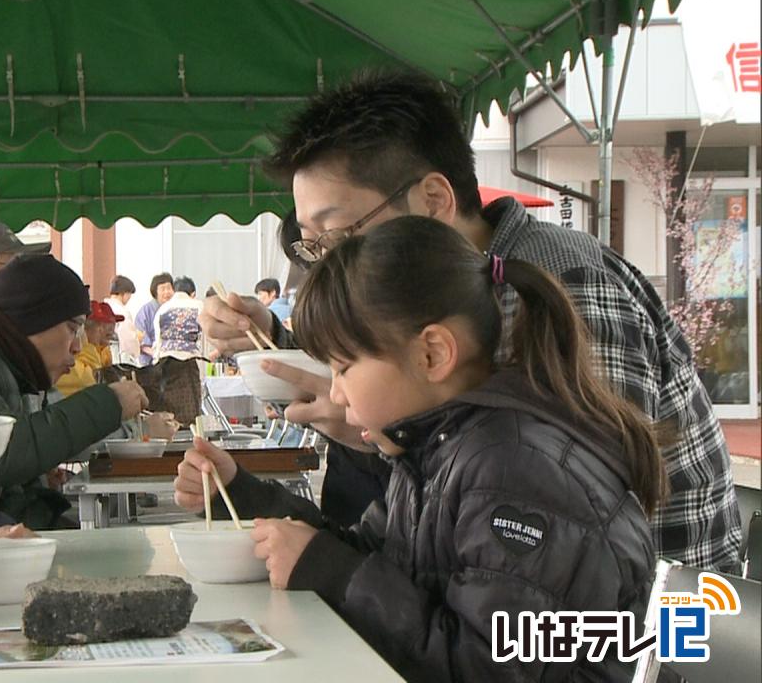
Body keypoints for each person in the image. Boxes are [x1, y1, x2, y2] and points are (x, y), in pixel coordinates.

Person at [198, 69, 740, 571]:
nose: (330, 265)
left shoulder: (562, 287)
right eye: (312, 247)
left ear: (434, 199)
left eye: (338, 236)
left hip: (659, 640)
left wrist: (383, 434)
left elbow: (568, 511)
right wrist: (277, 338)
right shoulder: (447, 293)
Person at [180, 217, 663, 680]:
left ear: (432, 354)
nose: (338, 392)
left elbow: (490, 669)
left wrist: (327, 569)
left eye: (344, 367)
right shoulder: (439, 450)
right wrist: (241, 495)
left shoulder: (512, 469)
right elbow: (370, 555)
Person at [0, 255, 151, 528]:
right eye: (72, 329)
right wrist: (110, 403)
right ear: (32, 320)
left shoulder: (14, 367)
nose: (77, 348)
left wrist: (35, 477)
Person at [55, 301, 124, 397]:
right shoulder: (74, 355)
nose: (113, 330)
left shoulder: (104, 351)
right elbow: (90, 381)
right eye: (107, 324)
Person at [153, 276, 203, 361]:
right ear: (193, 294)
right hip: (191, 359)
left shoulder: (162, 309)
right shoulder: (199, 306)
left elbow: (158, 341)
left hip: (165, 360)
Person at [135, 272, 174, 365]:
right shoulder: (145, 311)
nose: (167, 292)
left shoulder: (176, 309)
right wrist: (157, 354)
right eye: (162, 289)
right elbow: (141, 343)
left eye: (169, 288)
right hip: (151, 362)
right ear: (155, 291)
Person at [106, 275, 141, 363]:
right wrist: (137, 340)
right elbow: (128, 340)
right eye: (129, 294)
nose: (129, 298)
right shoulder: (122, 312)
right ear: (123, 293)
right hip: (118, 355)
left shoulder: (105, 307)